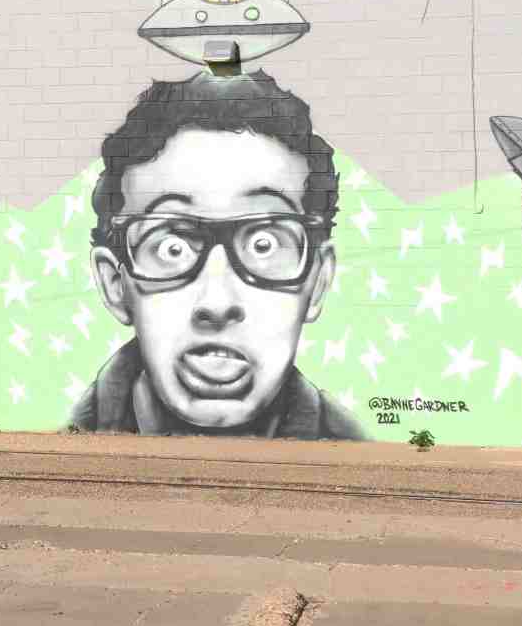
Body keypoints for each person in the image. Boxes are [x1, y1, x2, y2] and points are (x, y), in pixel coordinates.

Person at [72, 69, 366, 440]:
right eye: (172, 247)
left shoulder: (358, 448)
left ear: (318, 282)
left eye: (263, 243)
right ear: (115, 284)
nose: (217, 302)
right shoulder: (66, 439)